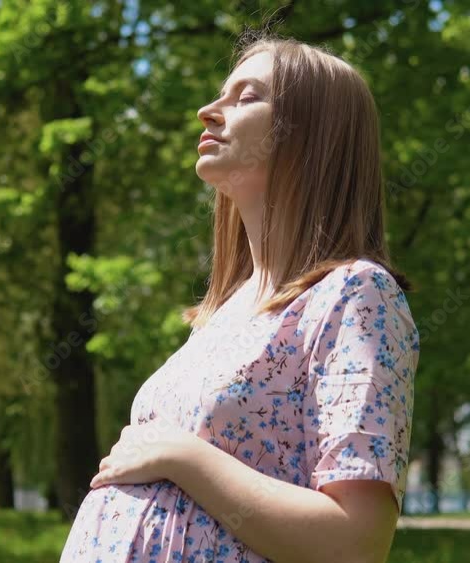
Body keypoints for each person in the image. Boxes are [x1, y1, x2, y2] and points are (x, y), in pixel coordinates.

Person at [60, 33, 420, 563]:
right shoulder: (225, 313)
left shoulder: (357, 295)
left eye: (246, 97)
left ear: (310, 134)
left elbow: (355, 543)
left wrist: (183, 455)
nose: (207, 111)